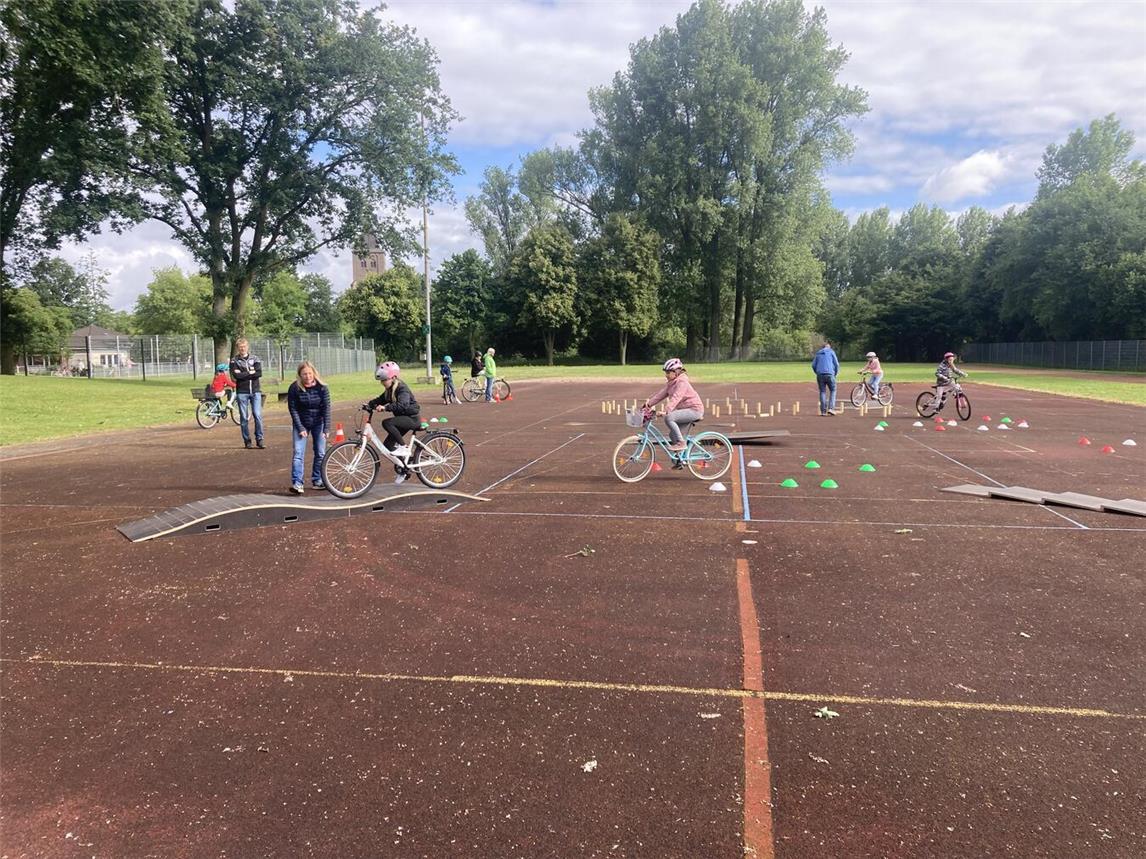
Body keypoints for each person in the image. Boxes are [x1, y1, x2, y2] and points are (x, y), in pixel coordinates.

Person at [367, 361, 421, 484]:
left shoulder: (402, 388)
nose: (382, 383)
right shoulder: (389, 390)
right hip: (402, 420)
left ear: (394, 377)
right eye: (381, 381)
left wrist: (386, 408)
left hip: (412, 419)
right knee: (388, 446)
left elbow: (403, 404)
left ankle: (403, 447)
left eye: (384, 380)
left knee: (387, 423)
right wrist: (369, 404)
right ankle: (404, 469)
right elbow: (380, 399)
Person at [286, 360, 332, 494]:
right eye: (304, 374)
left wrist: (326, 428)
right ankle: (297, 483)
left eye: (310, 373)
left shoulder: (322, 387)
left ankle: (317, 480)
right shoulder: (294, 388)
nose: (307, 376)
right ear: (300, 375)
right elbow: (292, 409)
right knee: (298, 453)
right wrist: (300, 428)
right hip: (301, 422)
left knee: (320, 452)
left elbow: (327, 408)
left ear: (314, 373)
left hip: (319, 422)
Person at [644, 358, 704, 452]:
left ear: (676, 372)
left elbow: (677, 397)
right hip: (685, 410)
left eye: (668, 372)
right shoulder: (671, 383)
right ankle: (680, 460)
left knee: (669, 418)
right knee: (672, 435)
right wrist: (648, 404)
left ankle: (681, 443)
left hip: (694, 410)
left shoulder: (682, 382)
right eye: (666, 372)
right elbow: (661, 395)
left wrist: (666, 411)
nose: (666, 375)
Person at [230, 338, 265, 449]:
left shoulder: (255, 359)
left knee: (257, 415)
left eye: (244, 346)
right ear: (238, 348)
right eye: (240, 347)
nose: (242, 349)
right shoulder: (234, 360)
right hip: (242, 392)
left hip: (255, 391)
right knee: (244, 418)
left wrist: (244, 373)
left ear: (247, 347)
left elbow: (259, 373)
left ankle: (259, 439)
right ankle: (247, 440)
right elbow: (236, 376)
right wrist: (250, 373)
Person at [812, 340, 840, 416]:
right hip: (830, 374)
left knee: (822, 392)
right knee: (833, 390)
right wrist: (835, 373)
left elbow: (813, 365)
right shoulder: (831, 352)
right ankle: (831, 408)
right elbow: (836, 364)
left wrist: (817, 372)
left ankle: (823, 411)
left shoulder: (818, 353)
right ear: (829, 346)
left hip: (820, 375)